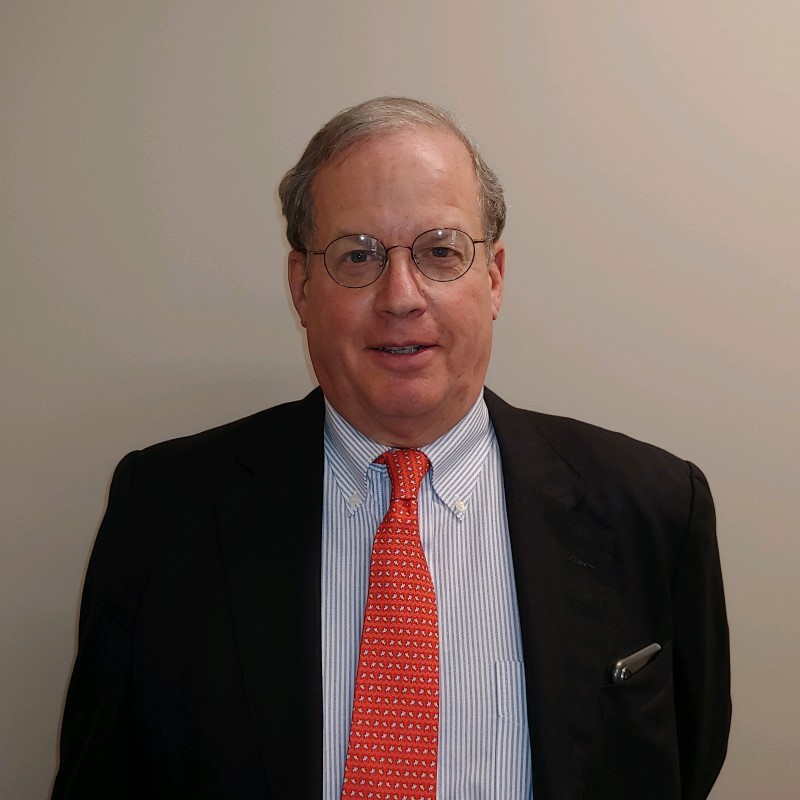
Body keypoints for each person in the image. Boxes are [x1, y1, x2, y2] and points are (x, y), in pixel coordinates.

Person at [52, 97, 731, 800]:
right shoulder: (162, 513)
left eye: (440, 252)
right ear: (301, 288)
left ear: (494, 278)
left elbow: (687, 760)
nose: (401, 297)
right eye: (358, 255)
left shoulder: (654, 507)